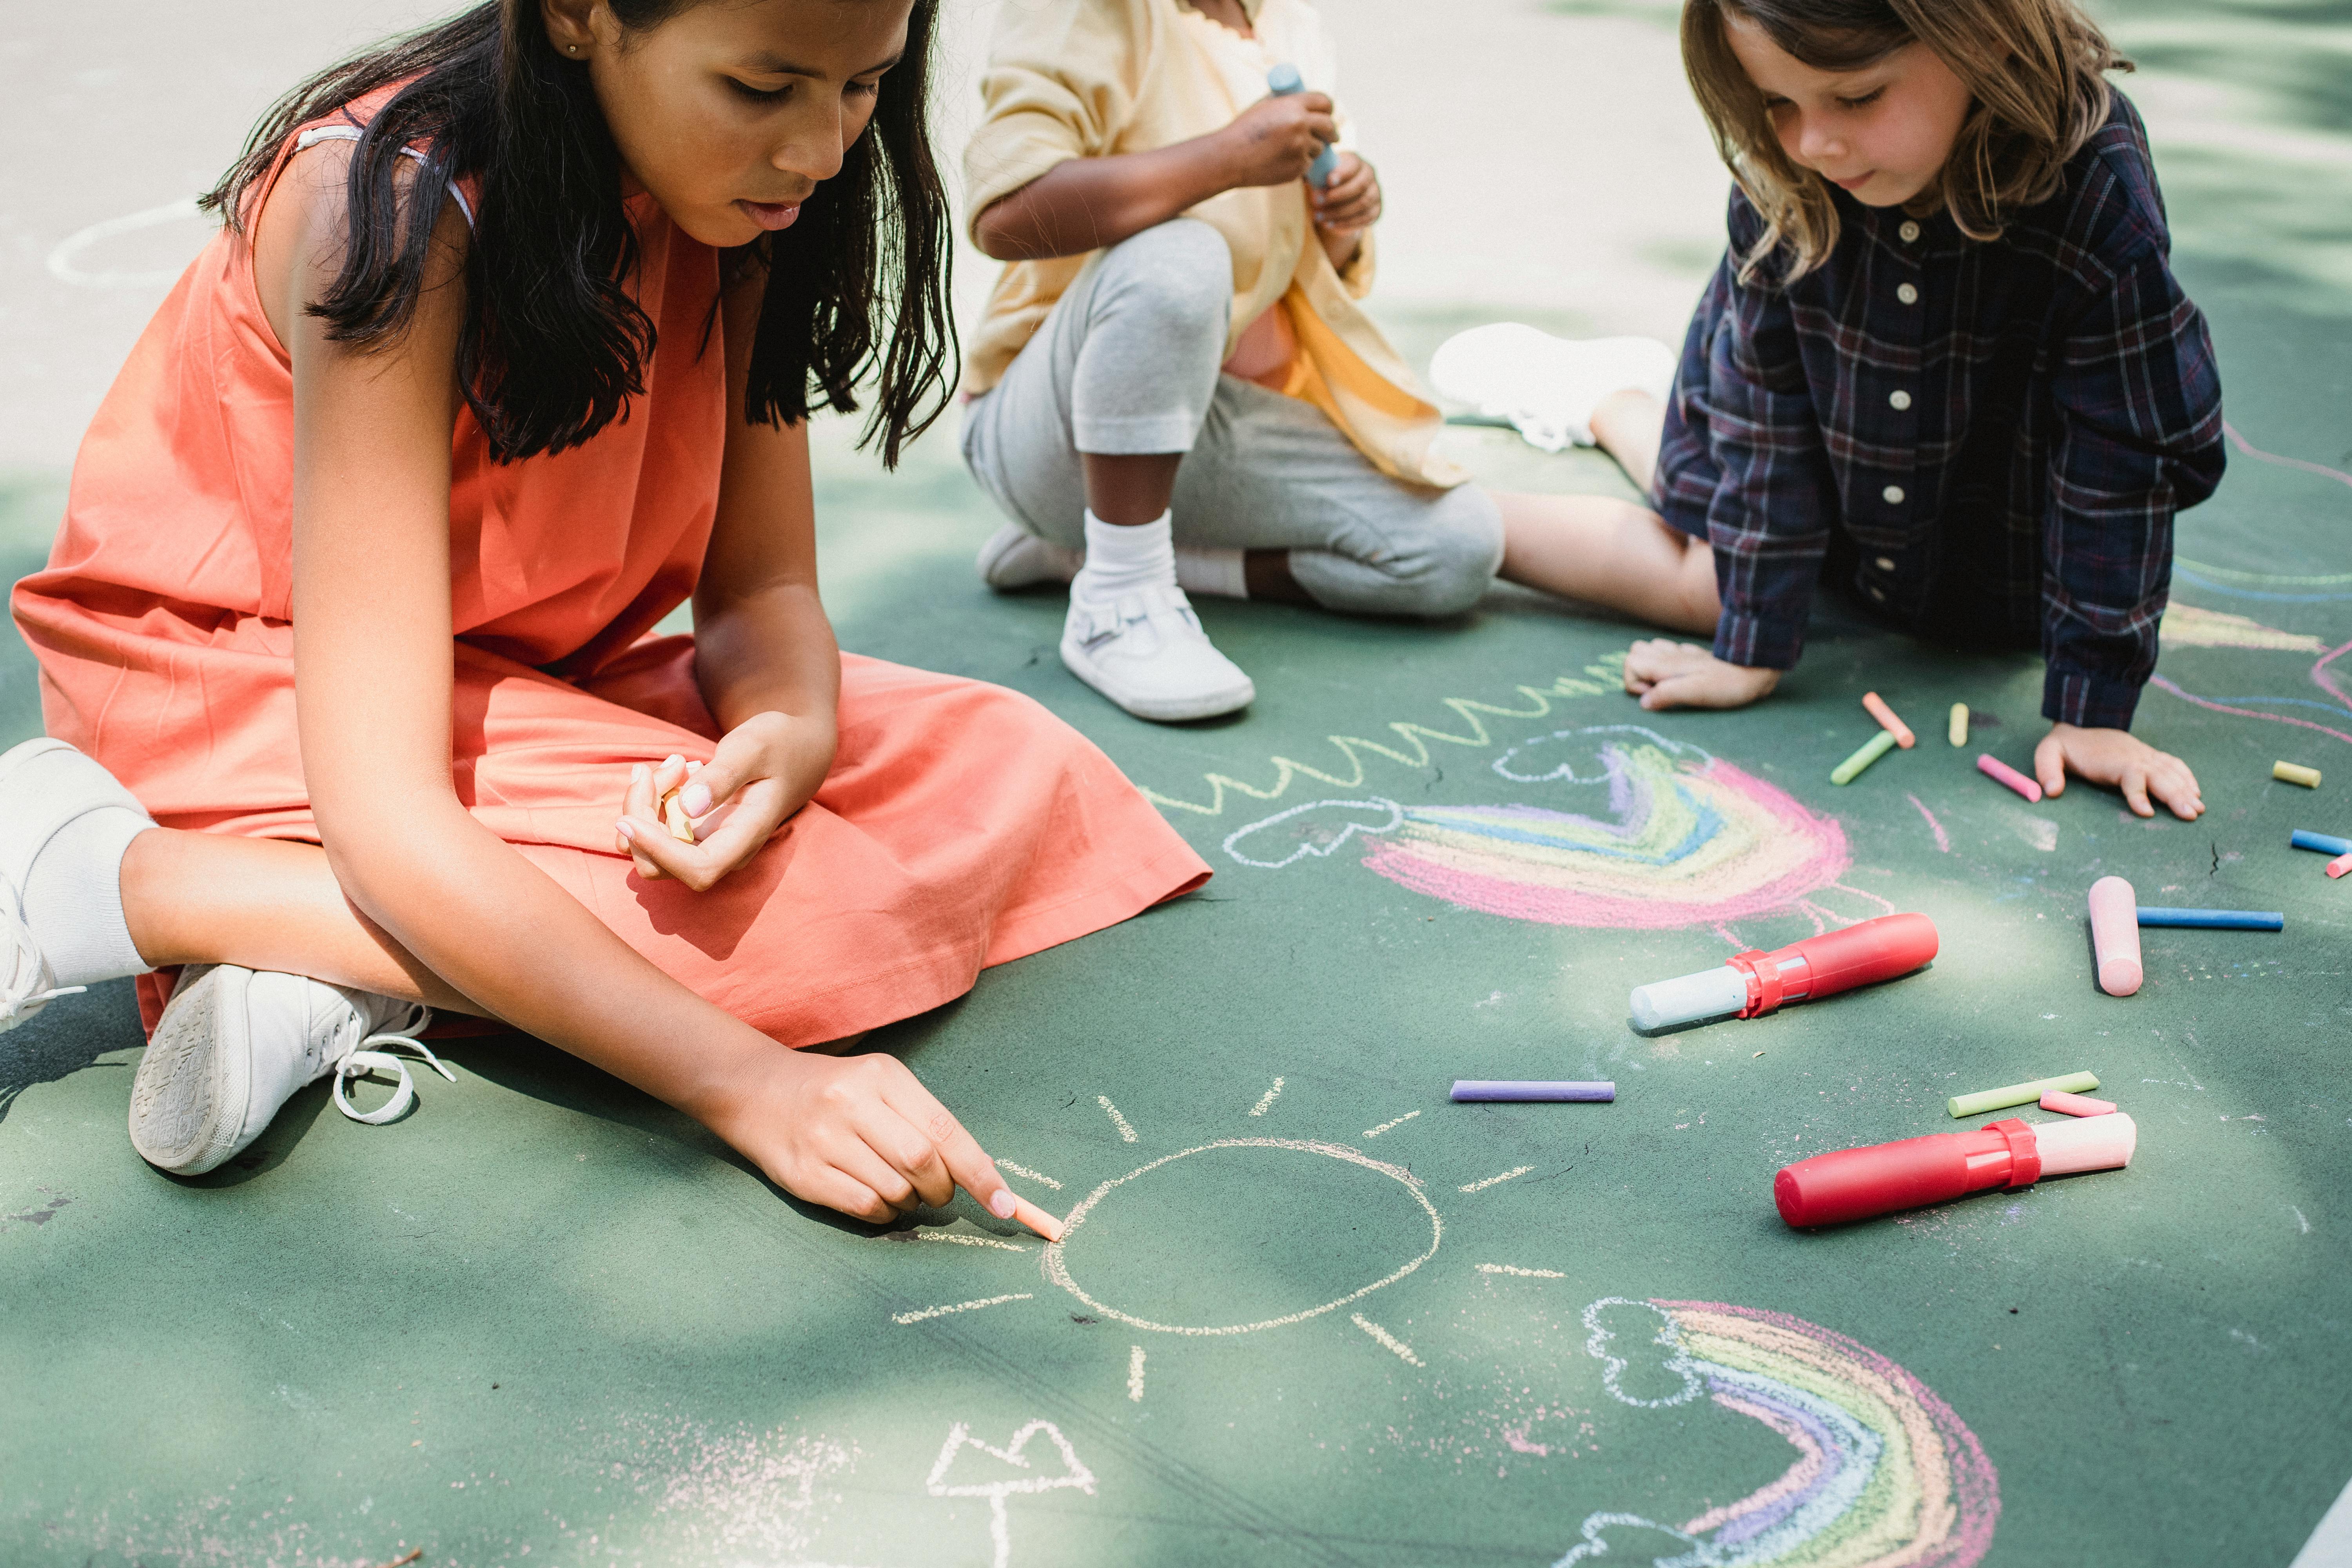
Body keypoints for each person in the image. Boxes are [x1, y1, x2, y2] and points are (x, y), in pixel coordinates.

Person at [5, 0, 1210, 1224]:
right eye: (760, 87)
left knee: (1007, 765)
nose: (821, 149)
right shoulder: (387, 211)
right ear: (579, 15)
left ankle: (326, 963)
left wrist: (787, 726)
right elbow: (382, 810)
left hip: (523, 681)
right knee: (796, 916)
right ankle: (111, 885)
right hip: (237, 684)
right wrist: (754, 1087)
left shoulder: (752, 197)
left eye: (865, 87)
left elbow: (764, 590)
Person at [1493, 0, 2223, 821]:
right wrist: (1755, 642)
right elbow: (1763, 408)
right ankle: (1477, 494)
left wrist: (2093, 708)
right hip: (1823, 467)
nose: (1812, 143)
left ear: (1978, 35)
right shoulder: (1796, 176)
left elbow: (2121, 456)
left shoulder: (2093, 190)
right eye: (1779, 104)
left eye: (1856, 97)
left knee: (1983, 619)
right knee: (1708, 579)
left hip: (1986, 520)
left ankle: (1613, 397)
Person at [956, 0, 1506, 722]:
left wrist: (1342, 215)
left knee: (1455, 549)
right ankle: (1119, 600)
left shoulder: (1284, 21)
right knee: (1178, 254)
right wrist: (1228, 157)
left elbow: (1298, 262)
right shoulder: (1087, 10)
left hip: (1198, 416)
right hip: (1053, 429)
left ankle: (1090, 558)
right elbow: (1006, 212)